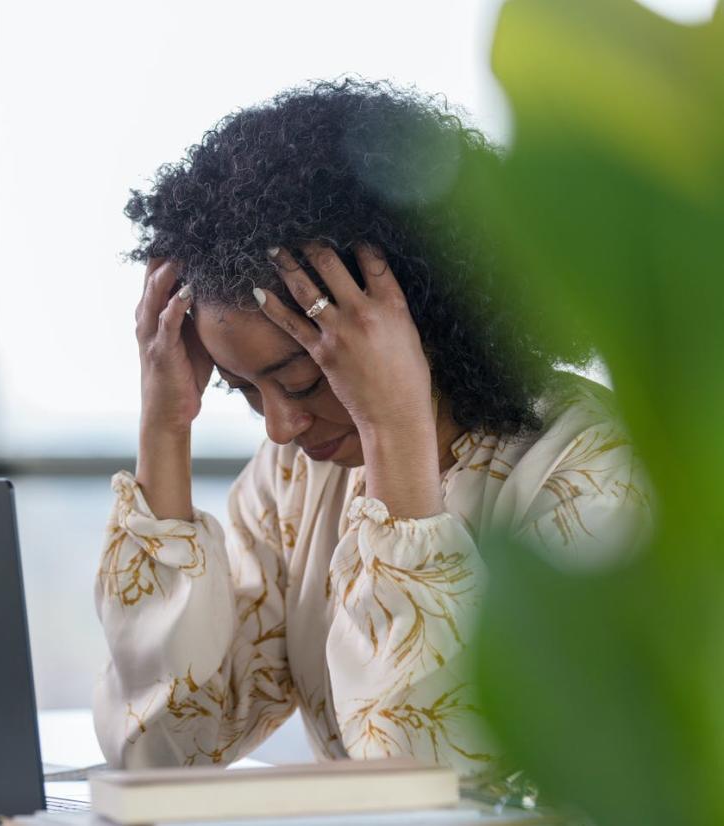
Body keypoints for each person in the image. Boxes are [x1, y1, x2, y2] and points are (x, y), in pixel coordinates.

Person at [93, 79, 654, 777]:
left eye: (300, 380)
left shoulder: (591, 474)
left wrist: (395, 433)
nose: (279, 427)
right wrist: (165, 427)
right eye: (240, 391)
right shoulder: (303, 474)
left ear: (407, 319)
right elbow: (161, 748)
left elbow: (438, 778)